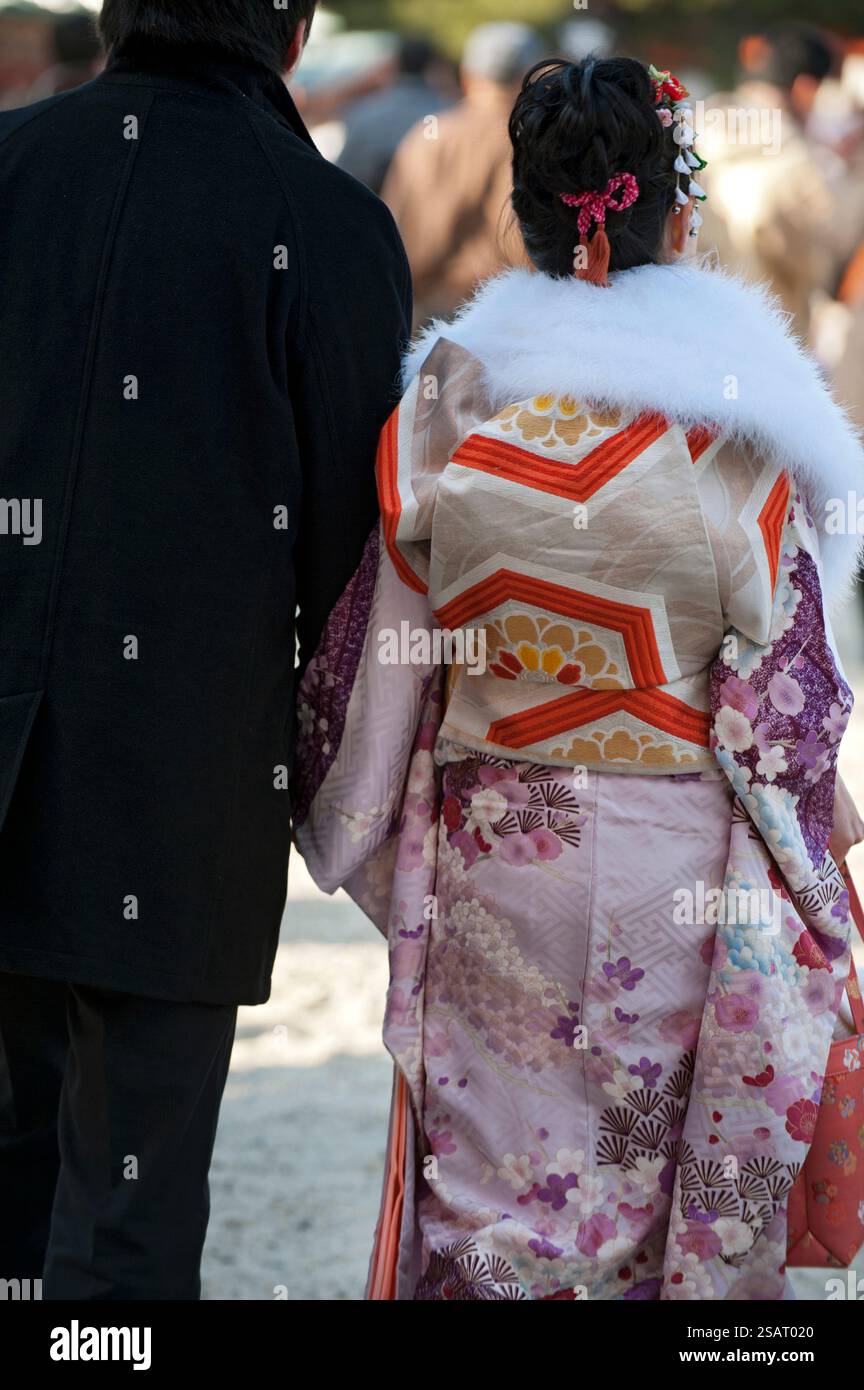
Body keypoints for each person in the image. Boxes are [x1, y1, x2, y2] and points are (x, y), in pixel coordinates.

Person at [294, 56, 864, 1300]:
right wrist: (813, 843)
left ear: (535, 213)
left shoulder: (448, 400)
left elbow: (382, 651)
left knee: (500, 1188)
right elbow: (789, 706)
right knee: (653, 1183)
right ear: (678, 210)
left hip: (506, 851)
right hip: (680, 857)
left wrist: (363, 820)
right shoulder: (744, 421)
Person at [0, 0, 411, 1300]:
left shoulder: (9, 169)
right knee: (129, 1205)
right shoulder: (327, 224)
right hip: (173, 786)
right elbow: (354, 562)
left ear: (114, 19)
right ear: (290, 35)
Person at [383, 21, 543, 325]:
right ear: (530, 78)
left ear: (467, 76)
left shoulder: (428, 136)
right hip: (514, 320)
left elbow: (397, 236)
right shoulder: (536, 142)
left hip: (429, 318)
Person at [698, 22, 842, 341]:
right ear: (806, 88)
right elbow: (827, 270)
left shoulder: (692, 134)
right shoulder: (802, 164)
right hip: (773, 352)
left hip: (701, 344)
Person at [337, 35, 454, 195]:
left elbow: (347, 175)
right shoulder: (449, 115)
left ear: (396, 65)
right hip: (429, 210)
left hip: (372, 209)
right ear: (433, 67)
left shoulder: (366, 113)